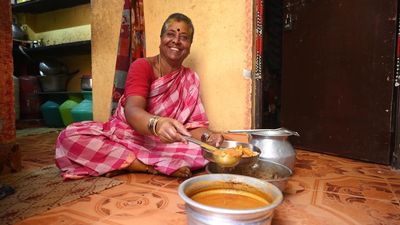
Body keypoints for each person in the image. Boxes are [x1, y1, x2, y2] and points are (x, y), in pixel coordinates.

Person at [55, 13, 224, 179]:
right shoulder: (142, 66)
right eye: (170, 34)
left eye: (184, 37)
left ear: (190, 45)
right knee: (69, 137)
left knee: (206, 151)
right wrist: (157, 124)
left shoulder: (190, 78)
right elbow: (132, 110)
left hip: (163, 143)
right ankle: (144, 166)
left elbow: (193, 126)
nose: (176, 41)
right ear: (161, 39)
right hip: (127, 135)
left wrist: (208, 137)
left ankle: (122, 162)